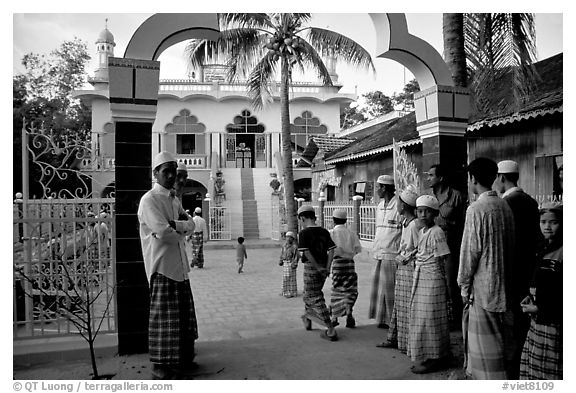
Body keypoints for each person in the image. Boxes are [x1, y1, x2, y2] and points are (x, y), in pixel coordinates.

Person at [137, 151, 198, 380]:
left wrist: (177, 226)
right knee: (164, 320)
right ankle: (160, 366)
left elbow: (191, 224)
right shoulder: (149, 200)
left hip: (180, 267)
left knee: (181, 319)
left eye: (174, 170)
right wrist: (179, 228)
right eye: (167, 171)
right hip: (162, 267)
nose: (172, 176)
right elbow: (163, 233)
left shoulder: (173, 199)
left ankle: (181, 360)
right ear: (156, 173)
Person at [458, 157, 516, 379]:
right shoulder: (504, 205)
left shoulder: (476, 209)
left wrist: (463, 285)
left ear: (472, 178)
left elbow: (470, 252)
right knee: (501, 344)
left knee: (485, 349)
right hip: (505, 285)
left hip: (483, 289)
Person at [494, 159, 542, 378]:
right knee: (523, 321)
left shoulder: (506, 204)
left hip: (510, 271)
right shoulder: (531, 202)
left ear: (501, 178)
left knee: (511, 323)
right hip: (528, 269)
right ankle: (524, 364)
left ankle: (512, 371)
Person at [406, 195, 452, 373]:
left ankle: (437, 358)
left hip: (433, 280)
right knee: (422, 318)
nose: (422, 214)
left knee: (431, 319)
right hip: (422, 278)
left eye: (427, 211)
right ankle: (431, 355)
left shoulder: (437, 232)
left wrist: (448, 284)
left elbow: (446, 258)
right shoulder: (423, 231)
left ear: (434, 214)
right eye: (419, 211)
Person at [519, 203, 562, 380]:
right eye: (543, 221)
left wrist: (540, 308)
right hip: (537, 323)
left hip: (553, 324)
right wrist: (531, 296)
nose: (547, 226)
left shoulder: (562, 252)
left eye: (553, 222)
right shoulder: (542, 248)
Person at [377, 188, 421, 353]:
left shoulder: (415, 225)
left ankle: (408, 343)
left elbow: (418, 248)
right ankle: (395, 338)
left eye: (400, 202)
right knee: (399, 307)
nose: (398, 205)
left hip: (409, 269)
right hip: (402, 268)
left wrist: (405, 257)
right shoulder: (406, 222)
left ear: (404, 206)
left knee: (406, 308)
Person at [425, 164, 467, 328]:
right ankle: (439, 315)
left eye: (431, 175)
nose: (428, 178)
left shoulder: (457, 196)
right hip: (432, 242)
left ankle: (455, 317)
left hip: (451, 243)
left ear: (440, 178)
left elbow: (464, 223)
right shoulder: (430, 198)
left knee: (451, 282)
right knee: (435, 279)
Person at [297, 205, 338, 341]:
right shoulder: (324, 231)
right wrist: (326, 267)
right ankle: (308, 318)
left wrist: (317, 267)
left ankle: (330, 328)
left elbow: (306, 253)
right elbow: (331, 250)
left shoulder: (303, 233)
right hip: (323, 267)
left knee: (314, 296)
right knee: (309, 293)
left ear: (302, 218)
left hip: (311, 268)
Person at [369, 174, 403, 329]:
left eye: (378, 187)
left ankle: (392, 320)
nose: (377, 190)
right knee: (380, 288)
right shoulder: (379, 206)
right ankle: (382, 318)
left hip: (392, 253)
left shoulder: (398, 206)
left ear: (384, 188)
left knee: (391, 289)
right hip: (378, 252)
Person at [329, 209, 362, 329]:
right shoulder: (351, 233)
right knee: (350, 289)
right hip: (349, 264)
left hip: (337, 264)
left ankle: (334, 317)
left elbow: (329, 250)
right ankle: (349, 310)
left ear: (333, 220)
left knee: (337, 289)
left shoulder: (331, 233)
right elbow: (358, 249)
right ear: (345, 220)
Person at [279, 231, 299, 298]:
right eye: (287, 237)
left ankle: (292, 292)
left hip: (291, 263)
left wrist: (295, 263)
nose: (288, 239)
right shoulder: (284, 246)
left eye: (290, 237)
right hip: (285, 263)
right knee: (285, 278)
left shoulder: (294, 247)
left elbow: (296, 256)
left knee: (291, 278)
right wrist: (281, 260)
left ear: (292, 239)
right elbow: (282, 254)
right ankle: (285, 291)